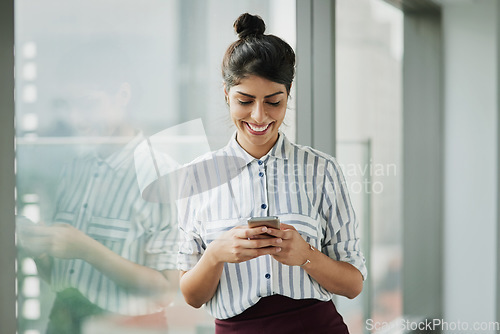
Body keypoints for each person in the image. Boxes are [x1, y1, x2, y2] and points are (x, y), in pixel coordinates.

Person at [177, 13, 367, 334]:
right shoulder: (196, 177)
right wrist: (215, 255)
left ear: (288, 94)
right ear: (226, 95)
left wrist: (305, 254)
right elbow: (193, 297)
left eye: (273, 102)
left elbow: (353, 285)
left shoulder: (321, 170)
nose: (259, 115)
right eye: (245, 100)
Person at [17, 41, 179, 334]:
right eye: (68, 106)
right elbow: (59, 279)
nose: (76, 120)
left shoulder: (160, 175)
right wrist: (39, 251)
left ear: (123, 96)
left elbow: (166, 290)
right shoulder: (74, 168)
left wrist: (87, 249)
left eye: (88, 104)